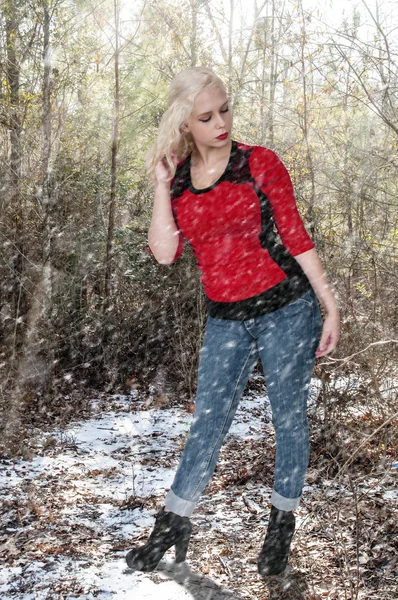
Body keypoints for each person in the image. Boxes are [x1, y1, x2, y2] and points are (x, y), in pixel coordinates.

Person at [126, 67, 340, 577]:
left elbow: (295, 236)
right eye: (206, 116)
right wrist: (160, 185)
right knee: (208, 423)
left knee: (288, 421)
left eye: (224, 109)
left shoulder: (259, 163)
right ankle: (173, 524)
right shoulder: (177, 181)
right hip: (225, 318)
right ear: (185, 124)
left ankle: (280, 529)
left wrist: (329, 305)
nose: (220, 122)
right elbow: (164, 252)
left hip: (287, 308)